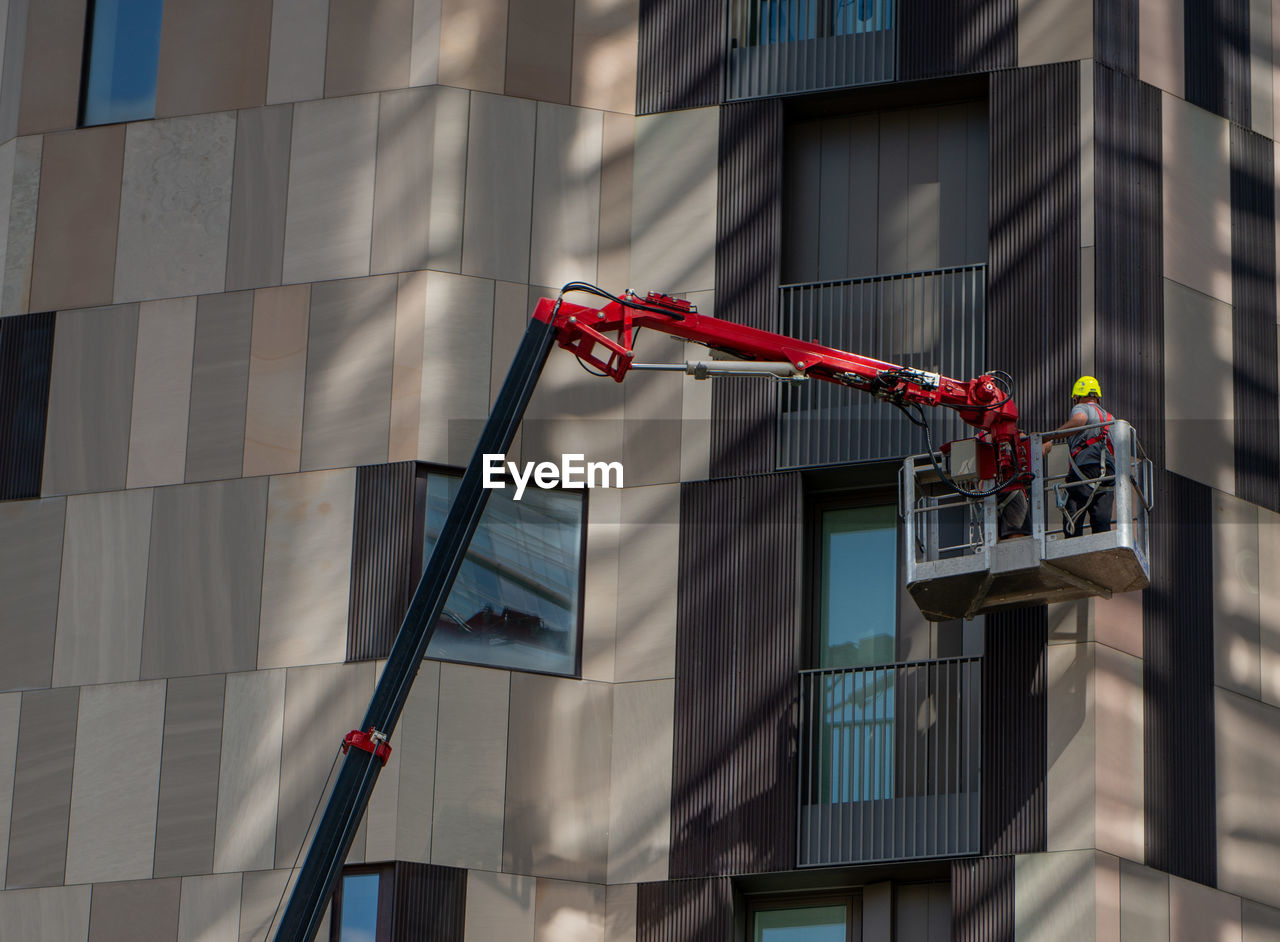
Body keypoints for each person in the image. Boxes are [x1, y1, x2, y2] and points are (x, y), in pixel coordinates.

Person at [1042, 376, 1116, 537]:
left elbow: (1080, 420)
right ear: (1097, 396)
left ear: (1076, 397)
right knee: (1101, 522)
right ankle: (1101, 549)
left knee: (1073, 514)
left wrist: (1049, 437)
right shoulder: (1111, 419)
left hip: (1085, 468)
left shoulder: (1082, 408)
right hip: (1109, 474)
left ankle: (1071, 545)